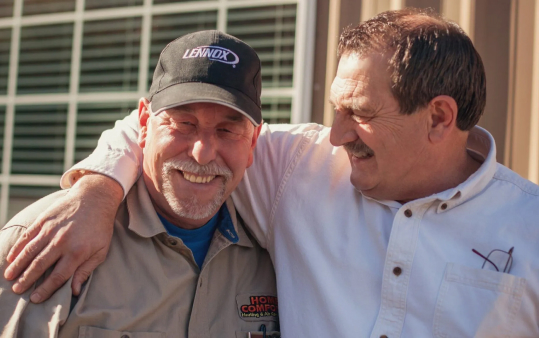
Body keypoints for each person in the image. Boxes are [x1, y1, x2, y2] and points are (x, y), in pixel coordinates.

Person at [4, 8, 539, 337]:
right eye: (335, 109)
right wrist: (97, 192)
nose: (336, 134)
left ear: (440, 117)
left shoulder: (530, 229)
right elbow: (164, 132)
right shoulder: (298, 168)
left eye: (361, 114)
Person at [0, 30, 280, 338]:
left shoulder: (275, 256)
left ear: (253, 141)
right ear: (144, 123)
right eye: (184, 124)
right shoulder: (50, 240)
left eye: (227, 130)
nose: (202, 153)